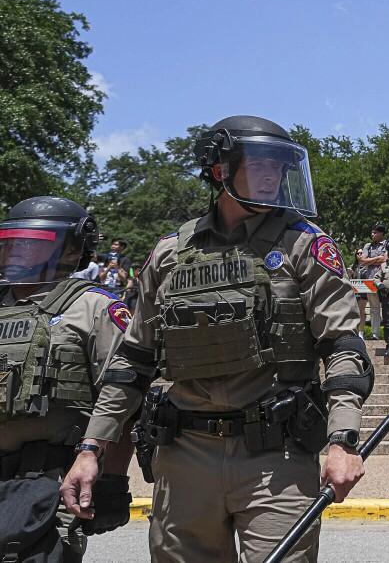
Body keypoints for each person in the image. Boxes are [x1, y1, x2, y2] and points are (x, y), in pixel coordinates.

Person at [61, 115, 373, 563]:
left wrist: (343, 440)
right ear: (218, 169)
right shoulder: (170, 253)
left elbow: (343, 348)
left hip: (275, 457)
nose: (272, 176)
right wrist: (92, 448)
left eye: (280, 168)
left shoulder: (304, 245)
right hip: (183, 456)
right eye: (260, 164)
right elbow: (132, 361)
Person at [0, 197, 135, 561]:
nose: (18, 252)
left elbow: (125, 395)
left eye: (33, 243)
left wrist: (114, 480)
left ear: (74, 249)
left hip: (51, 479)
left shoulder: (94, 307)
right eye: (12, 242)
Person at [354, 223, 389, 339]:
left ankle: (383, 333)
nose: (372, 234)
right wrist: (377, 259)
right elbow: (361, 261)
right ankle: (374, 334)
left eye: (375, 232)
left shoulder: (387, 244)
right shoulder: (368, 246)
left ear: (381, 233)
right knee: (373, 307)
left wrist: (369, 260)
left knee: (385, 308)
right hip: (369, 280)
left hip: (384, 280)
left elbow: (386, 259)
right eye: (372, 232)